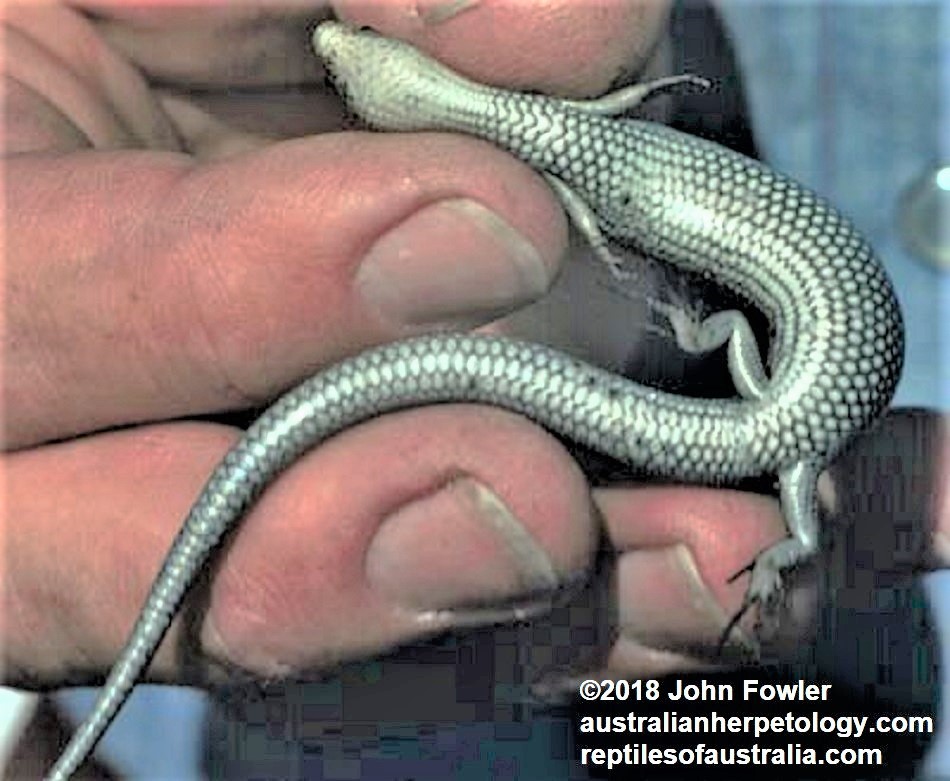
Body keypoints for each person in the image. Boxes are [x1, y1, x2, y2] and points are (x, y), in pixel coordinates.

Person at [3, 2, 945, 777]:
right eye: (349, 66)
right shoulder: (564, 121)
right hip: (794, 408)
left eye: (354, 64)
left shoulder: (545, 142)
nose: (339, 50)